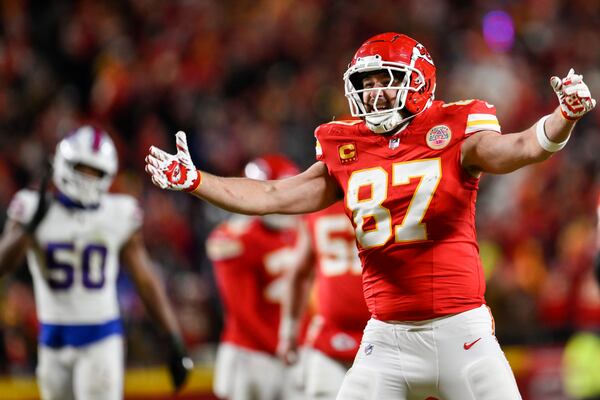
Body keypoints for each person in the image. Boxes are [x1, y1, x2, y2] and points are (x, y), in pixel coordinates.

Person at [144, 32, 596, 399]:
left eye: (386, 80)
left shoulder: (457, 128)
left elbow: (522, 146)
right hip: (386, 337)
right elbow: (272, 195)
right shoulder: (346, 146)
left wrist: (562, 117)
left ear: (418, 81)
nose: (374, 92)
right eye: (367, 83)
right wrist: (196, 180)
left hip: (462, 332)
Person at [0, 126, 192, 400]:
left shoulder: (118, 213)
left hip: (101, 337)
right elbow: (3, 265)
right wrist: (28, 230)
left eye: (96, 172)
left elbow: (145, 279)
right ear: (63, 165)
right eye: (82, 168)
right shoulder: (31, 206)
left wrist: (172, 335)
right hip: (52, 338)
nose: (88, 178)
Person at [207, 154, 304, 400]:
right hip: (249, 354)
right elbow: (242, 312)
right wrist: (286, 346)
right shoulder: (237, 237)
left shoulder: (300, 230)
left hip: (288, 348)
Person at [277, 200, 370, 400]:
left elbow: (298, 274)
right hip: (340, 335)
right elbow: (298, 273)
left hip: (376, 336)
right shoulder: (383, 194)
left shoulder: (317, 205)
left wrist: (288, 333)